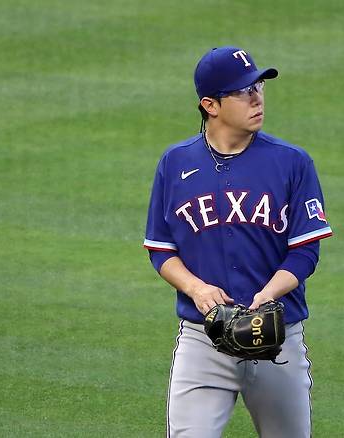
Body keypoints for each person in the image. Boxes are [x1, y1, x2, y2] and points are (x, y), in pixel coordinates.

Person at [143, 46, 333, 438]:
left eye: (259, 87)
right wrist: (195, 288)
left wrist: (268, 293)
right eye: (244, 91)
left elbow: (305, 250)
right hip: (202, 340)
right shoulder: (175, 164)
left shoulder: (292, 162)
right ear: (210, 105)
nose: (257, 97)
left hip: (276, 338)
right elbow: (161, 248)